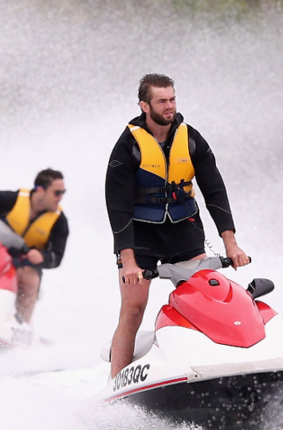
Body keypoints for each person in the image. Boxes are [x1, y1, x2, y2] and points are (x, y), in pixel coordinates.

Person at [105, 73, 250, 379]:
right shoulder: (128, 145)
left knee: (207, 301)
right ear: (145, 105)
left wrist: (231, 243)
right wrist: (128, 261)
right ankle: (115, 382)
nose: (169, 106)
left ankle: (219, 366)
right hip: (141, 236)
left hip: (184, 230)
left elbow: (215, 191)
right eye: (162, 101)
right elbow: (117, 207)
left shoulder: (191, 138)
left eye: (172, 99)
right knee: (133, 310)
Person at [0, 168, 68, 325]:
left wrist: (42, 257)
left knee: (29, 276)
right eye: (57, 193)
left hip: (24, 264)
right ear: (40, 190)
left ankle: (21, 326)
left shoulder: (59, 221)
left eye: (63, 192)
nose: (60, 198)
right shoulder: (12, 200)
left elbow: (56, 257)